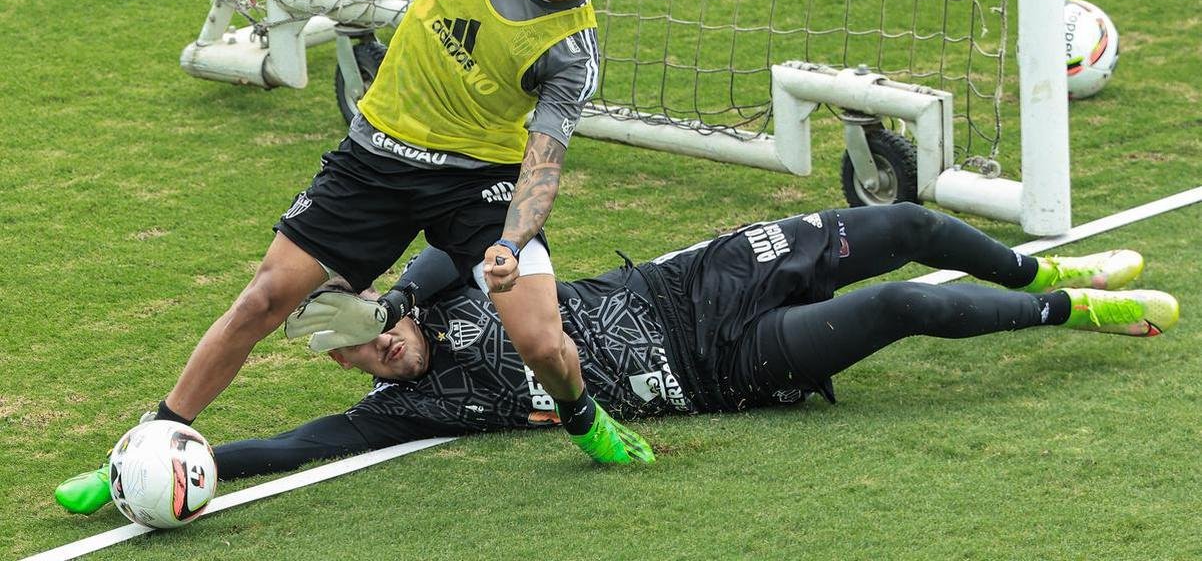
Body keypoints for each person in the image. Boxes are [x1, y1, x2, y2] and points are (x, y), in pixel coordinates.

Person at [57, 203, 1176, 510]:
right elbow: (288, 444)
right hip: (720, 365)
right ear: (352, 369)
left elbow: (445, 254)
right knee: (897, 305)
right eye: (363, 356)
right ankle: (1072, 311)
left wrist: (390, 293)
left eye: (378, 331)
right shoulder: (406, 409)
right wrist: (144, 460)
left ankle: (1032, 269)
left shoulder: (444, 285)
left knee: (901, 224)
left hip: (695, 277)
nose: (384, 353)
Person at [133, 0, 675, 465]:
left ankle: (584, 419)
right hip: (376, 159)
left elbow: (542, 163)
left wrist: (512, 244)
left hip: (476, 182)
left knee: (542, 343)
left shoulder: (572, 54)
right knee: (263, 299)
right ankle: (153, 437)